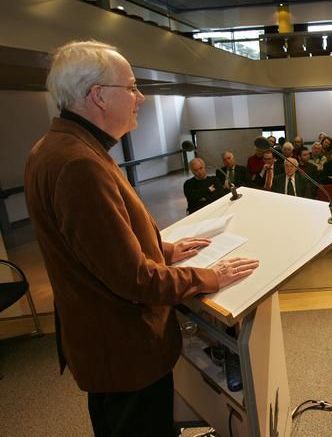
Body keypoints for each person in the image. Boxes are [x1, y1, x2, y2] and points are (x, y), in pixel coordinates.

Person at [23, 41, 259, 437]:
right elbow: (134, 279)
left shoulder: (58, 146)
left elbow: (95, 243)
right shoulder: (79, 163)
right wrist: (208, 277)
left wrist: (163, 249)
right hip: (123, 351)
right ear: (98, 95)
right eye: (131, 87)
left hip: (102, 343)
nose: (141, 97)